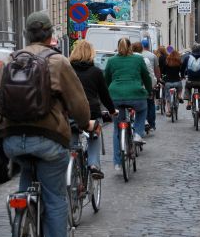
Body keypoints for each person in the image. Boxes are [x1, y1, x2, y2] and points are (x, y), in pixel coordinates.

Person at [0, 11, 90, 237]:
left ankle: (24, 214)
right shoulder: (58, 61)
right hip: (48, 140)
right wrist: (85, 123)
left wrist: (5, 125)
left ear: (26, 34)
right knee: (56, 197)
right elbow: (79, 103)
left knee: (26, 165)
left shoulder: (11, 60)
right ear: (50, 35)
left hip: (13, 140)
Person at [69, 40, 117, 179]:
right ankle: (93, 164)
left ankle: (70, 166)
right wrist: (112, 110)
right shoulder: (96, 72)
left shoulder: (68, 70)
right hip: (90, 111)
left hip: (71, 111)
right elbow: (104, 95)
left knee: (72, 139)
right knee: (94, 135)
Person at [104, 37, 151, 171]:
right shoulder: (137, 59)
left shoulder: (112, 61)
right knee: (142, 110)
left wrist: (108, 94)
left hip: (115, 97)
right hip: (136, 94)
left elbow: (106, 79)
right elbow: (146, 77)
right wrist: (148, 91)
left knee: (117, 129)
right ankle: (137, 133)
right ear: (130, 47)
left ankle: (118, 163)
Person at [182, 43, 200, 124]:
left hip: (190, 81)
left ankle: (188, 100)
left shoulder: (187, 57)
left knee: (187, 87)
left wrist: (182, 74)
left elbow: (183, 67)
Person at [141, 38, 161, 132]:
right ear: (148, 46)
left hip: (140, 84)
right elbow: (156, 70)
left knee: (142, 103)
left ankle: (143, 122)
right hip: (150, 82)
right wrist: (158, 81)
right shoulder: (153, 56)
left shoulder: (137, 55)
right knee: (150, 103)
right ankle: (152, 124)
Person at [162, 50, 185, 117]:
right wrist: (182, 76)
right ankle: (179, 96)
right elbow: (182, 71)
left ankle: (169, 110)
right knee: (180, 89)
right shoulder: (179, 62)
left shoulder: (167, 62)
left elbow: (163, 71)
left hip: (168, 82)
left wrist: (163, 75)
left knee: (167, 97)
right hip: (177, 81)